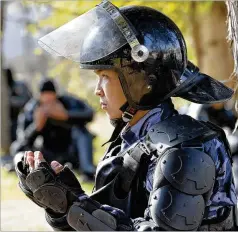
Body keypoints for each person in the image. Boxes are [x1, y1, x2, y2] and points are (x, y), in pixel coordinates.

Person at [15, 1, 237, 231]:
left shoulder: (186, 149)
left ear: (141, 81)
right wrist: (62, 203)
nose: (97, 89)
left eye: (105, 76)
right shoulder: (131, 138)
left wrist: (75, 206)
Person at [12, 78, 96, 180]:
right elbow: (20, 144)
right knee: (20, 153)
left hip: (70, 151)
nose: (48, 102)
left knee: (83, 132)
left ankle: (88, 170)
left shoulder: (67, 102)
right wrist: (37, 127)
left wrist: (66, 116)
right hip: (46, 154)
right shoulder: (31, 109)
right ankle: (31, 173)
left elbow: (89, 114)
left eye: (51, 98)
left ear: (56, 95)